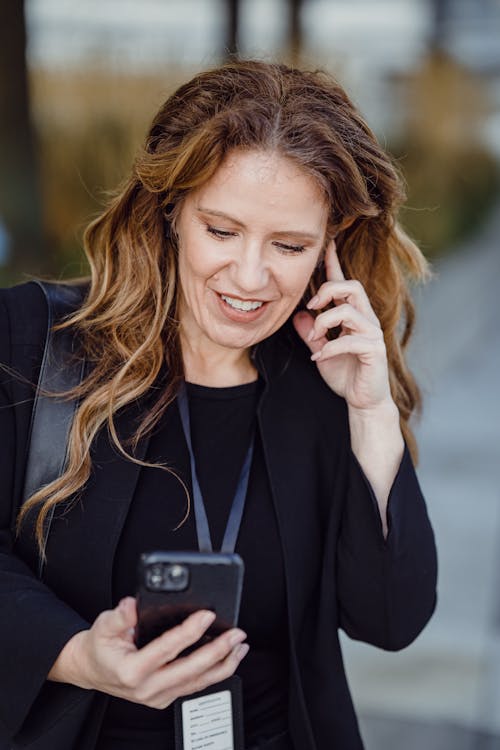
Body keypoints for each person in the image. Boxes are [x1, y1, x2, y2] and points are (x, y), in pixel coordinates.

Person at [0, 60, 437, 750]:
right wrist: (78, 655)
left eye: (289, 245)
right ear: (170, 211)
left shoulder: (329, 381)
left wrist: (372, 412)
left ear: (331, 244)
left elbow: (390, 620)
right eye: (222, 231)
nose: (250, 277)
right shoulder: (28, 342)